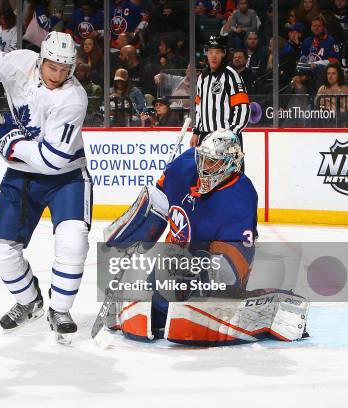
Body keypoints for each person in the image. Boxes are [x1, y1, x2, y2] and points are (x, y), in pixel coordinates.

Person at [103, 130, 307, 346]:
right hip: (175, 257)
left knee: (206, 292)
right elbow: (159, 205)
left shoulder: (241, 195)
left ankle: (260, 307)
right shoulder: (183, 166)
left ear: (230, 164)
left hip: (213, 260)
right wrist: (135, 231)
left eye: (213, 163)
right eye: (203, 159)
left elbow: (236, 255)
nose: (204, 167)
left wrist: (204, 271)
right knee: (159, 302)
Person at [0, 32, 90, 344]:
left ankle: (60, 309)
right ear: (40, 60)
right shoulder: (20, 62)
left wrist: (10, 141)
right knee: (0, 252)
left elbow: (53, 160)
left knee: (73, 240)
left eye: (64, 70)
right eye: (52, 67)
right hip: (20, 175)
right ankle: (30, 301)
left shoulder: (73, 98)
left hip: (65, 177)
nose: (57, 75)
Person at [191, 36, 250, 148]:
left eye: (217, 52)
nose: (213, 56)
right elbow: (198, 107)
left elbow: (243, 108)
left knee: (228, 166)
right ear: (206, 54)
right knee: (203, 166)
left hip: (227, 137)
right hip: (205, 136)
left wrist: (231, 134)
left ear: (224, 54)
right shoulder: (202, 78)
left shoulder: (232, 76)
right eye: (210, 52)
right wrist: (196, 132)